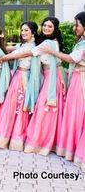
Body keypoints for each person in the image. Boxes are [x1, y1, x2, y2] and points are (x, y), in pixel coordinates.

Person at [40, 12, 85, 162]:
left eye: (77, 24)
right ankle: (70, 148)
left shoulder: (82, 44)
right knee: (72, 112)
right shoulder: (81, 41)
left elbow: (71, 59)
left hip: (81, 81)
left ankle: (75, 149)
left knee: (77, 113)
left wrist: (52, 52)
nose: (75, 27)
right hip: (76, 78)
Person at [22, 17, 66, 155]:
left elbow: (29, 52)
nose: (46, 28)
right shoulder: (51, 41)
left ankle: (40, 143)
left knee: (44, 108)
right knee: (51, 109)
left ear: (55, 29)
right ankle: (51, 142)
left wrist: (4, 56)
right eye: (45, 25)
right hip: (53, 75)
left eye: (50, 27)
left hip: (53, 77)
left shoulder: (48, 43)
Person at [0, 22, 40, 151]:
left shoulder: (32, 48)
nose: (23, 32)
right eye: (22, 30)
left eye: (26, 30)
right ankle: (4, 138)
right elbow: (8, 49)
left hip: (24, 79)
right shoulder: (22, 45)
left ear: (33, 32)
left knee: (20, 108)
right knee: (10, 106)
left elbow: (12, 55)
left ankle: (17, 140)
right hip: (17, 77)